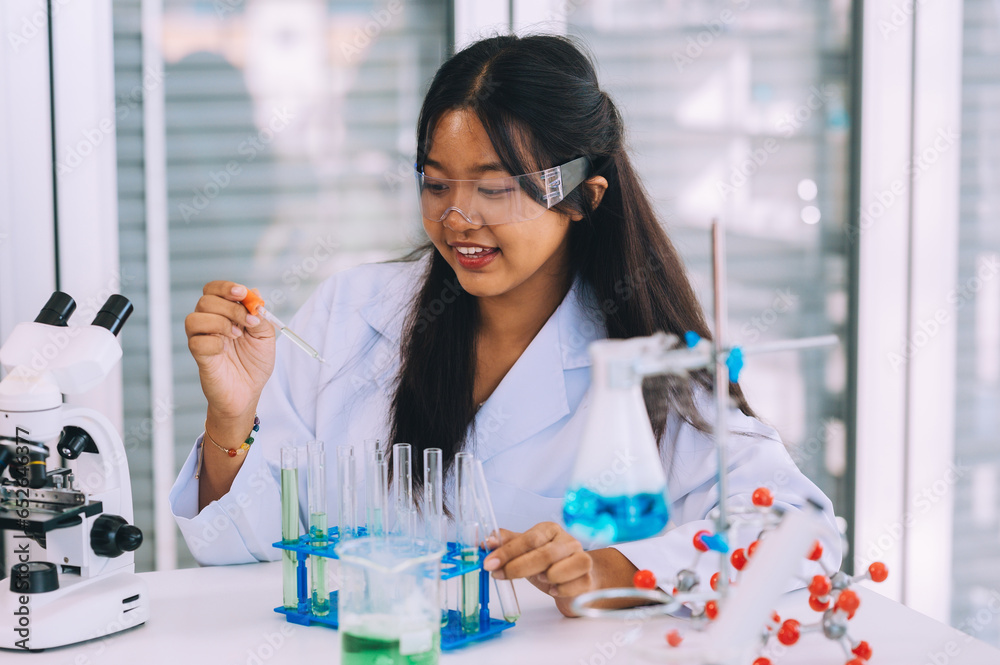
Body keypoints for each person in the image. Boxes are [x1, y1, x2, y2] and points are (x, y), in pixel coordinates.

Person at [170, 34, 841, 617]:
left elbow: (799, 532)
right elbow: (243, 550)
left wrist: (607, 570)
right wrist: (231, 418)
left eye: (495, 188)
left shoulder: (641, 362)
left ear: (582, 195)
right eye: (436, 184)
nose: (458, 217)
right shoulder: (351, 314)